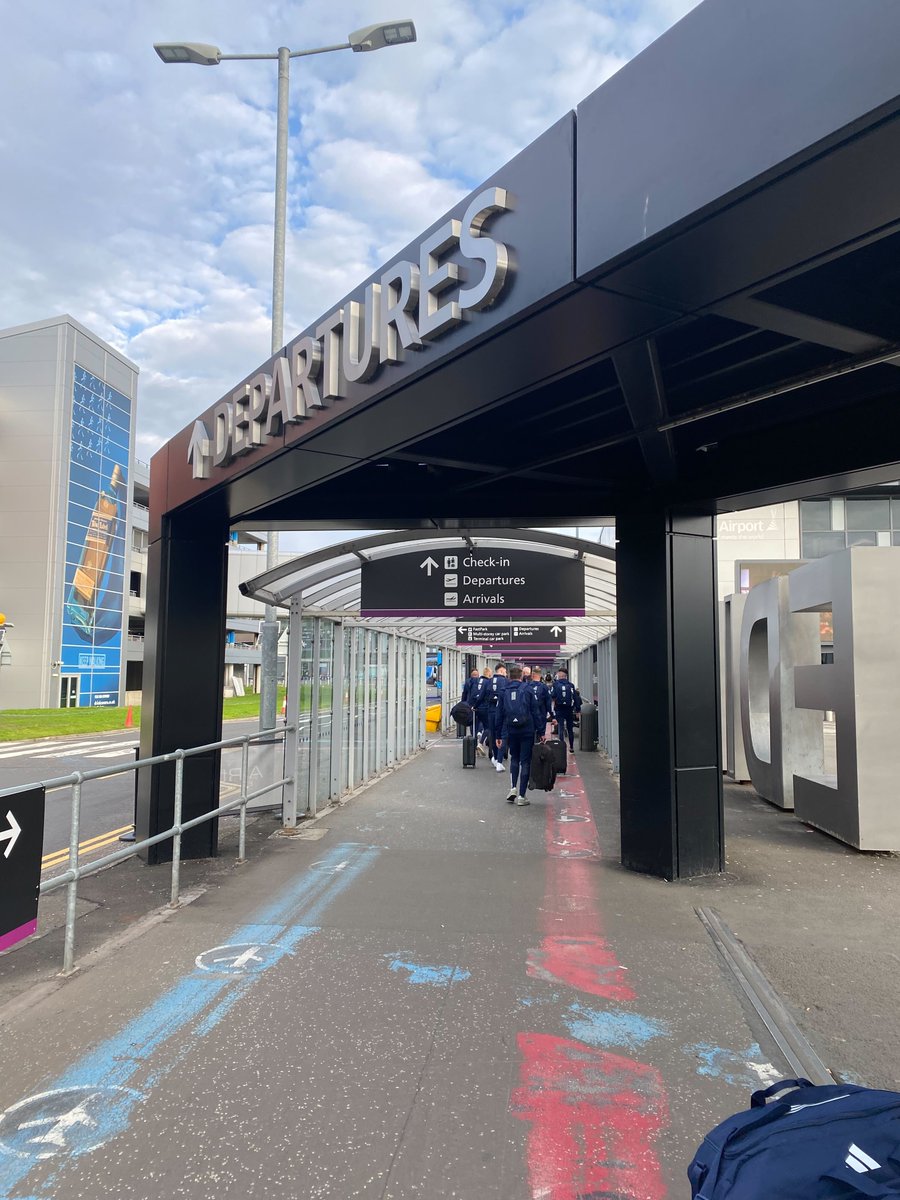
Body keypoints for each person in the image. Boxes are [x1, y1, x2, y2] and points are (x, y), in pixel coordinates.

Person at [496, 664, 545, 805]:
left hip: (511, 729)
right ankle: (522, 796)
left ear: (509, 677)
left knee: (514, 759)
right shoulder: (528, 690)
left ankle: (512, 788)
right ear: (522, 676)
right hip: (527, 730)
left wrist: (499, 735)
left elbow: (499, 715)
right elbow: (536, 712)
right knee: (525, 761)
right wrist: (541, 731)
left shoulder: (503, 691)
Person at [551, 667, 580, 752]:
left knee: (560, 727)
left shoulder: (555, 684)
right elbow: (575, 698)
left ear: (560, 675)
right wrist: (577, 710)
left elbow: (552, 696)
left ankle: (561, 747)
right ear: (566, 676)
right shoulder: (571, 685)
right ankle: (571, 747)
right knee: (570, 728)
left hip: (559, 709)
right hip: (569, 709)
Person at [487, 661, 509, 772]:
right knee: (502, 735)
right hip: (502, 712)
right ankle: (499, 761)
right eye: (505, 671)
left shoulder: (489, 681)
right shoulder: (505, 681)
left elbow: (483, 695)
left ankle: (495, 758)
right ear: (501, 671)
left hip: (491, 711)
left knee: (493, 734)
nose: (506, 673)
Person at [524, 667, 553, 735]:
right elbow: (548, 703)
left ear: (532, 676)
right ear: (540, 676)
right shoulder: (544, 687)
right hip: (541, 714)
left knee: (530, 734)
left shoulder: (526, 686)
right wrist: (552, 715)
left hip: (529, 714)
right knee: (541, 733)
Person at [472, 665, 493, 756]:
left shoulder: (478, 681)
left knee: (478, 725)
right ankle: (481, 743)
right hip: (485, 707)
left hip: (477, 707)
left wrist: (474, 706)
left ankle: (476, 742)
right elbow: (483, 695)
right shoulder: (488, 682)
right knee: (489, 727)